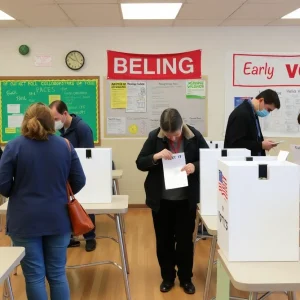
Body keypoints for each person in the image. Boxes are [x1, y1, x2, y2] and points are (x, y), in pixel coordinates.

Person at [0, 103, 86, 300]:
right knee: (57, 274)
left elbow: (3, 186)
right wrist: (60, 194)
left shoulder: (13, 146)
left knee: (34, 277)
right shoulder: (65, 145)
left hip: (24, 220)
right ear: (50, 122)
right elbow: (79, 180)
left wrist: (20, 192)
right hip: (58, 218)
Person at [136, 108, 209, 295]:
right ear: (162, 130)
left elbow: (209, 160)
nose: (174, 139)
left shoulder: (194, 136)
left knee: (185, 241)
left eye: (176, 135)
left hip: (186, 200)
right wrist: (156, 156)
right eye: (169, 136)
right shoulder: (154, 137)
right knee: (164, 241)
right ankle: (167, 277)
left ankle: (186, 278)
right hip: (162, 201)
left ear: (181, 127)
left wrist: (195, 166)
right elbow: (140, 162)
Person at [49, 100, 96, 252]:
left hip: (81, 172)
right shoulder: (63, 130)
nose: (54, 123)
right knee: (68, 205)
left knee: (85, 205)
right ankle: (70, 236)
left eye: (55, 119)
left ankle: (90, 237)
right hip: (66, 173)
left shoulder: (82, 128)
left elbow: (90, 154)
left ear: (65, 114)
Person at [224, 89, 281, 156]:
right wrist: (261, 145)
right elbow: (235, 144)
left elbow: (251, 139)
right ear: (261, 100)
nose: (268, 113)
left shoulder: (252, 113)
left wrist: (263, 144)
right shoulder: (241, 114)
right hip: (240, 162)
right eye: (268, 109)